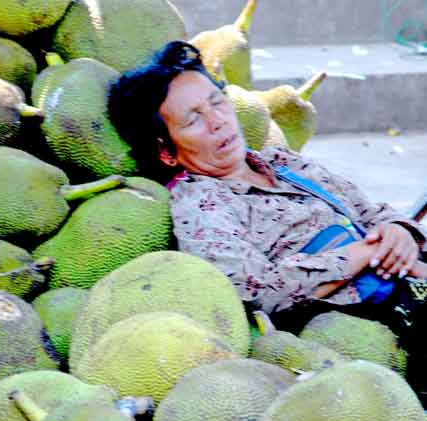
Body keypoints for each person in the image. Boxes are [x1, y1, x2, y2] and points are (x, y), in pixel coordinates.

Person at [108, 40, 427, 400]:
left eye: (217, 102)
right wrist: (363, 254)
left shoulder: (284, 163)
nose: (218, 122)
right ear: (167, 151)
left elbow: (369, 209)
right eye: (194, 119)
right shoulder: (199, 203)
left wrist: (398, 232)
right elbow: (258, 293)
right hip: (369, 329)